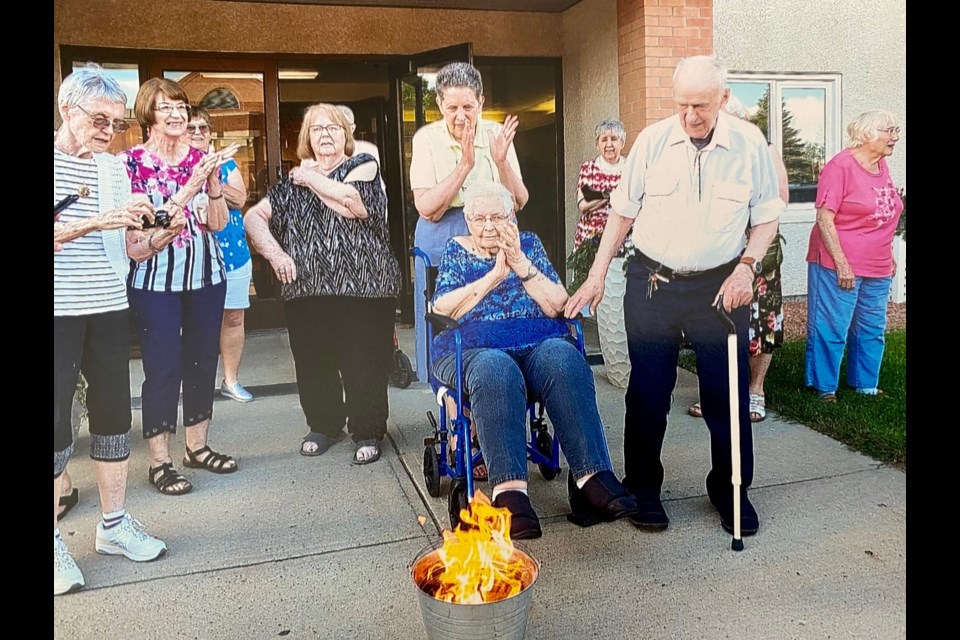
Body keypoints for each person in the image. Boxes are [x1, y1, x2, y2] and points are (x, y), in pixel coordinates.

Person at [565, 55, 786, 537]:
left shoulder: (750, 144)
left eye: (701, 105)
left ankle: (730, 489)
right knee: (646, 393)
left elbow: (767, 215)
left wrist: (747, 267)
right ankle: (643, 487)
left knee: (725, 395)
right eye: (682, 104)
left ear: (724, 99)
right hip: (652, 282)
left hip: (721, 285)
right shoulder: (652, 142)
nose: (690, 115)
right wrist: (598, 274)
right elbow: (621, 214)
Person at [432, 180, 639, 540]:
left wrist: (520, 264)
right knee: (496, 369)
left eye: (498, 217)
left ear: (512, 217)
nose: (489, 226)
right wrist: (495, 277)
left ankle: (592, 476)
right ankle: (510, 492)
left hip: (536, 339)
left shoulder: (528, 245)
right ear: (467, 220)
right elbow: (442, 308)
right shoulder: (456, 250)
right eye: (479, 218)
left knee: (563, 356)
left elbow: (559, 304)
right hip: (471, 346)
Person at [54, 66, 167, 595]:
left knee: (113, 417)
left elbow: (127, 248)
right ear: (66, 110)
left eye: (116, 123)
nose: (107, 131)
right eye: (99, 120)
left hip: (106, 306)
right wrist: (101, 220)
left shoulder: (113, 170)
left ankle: (115, 525)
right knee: (55, 426)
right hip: (57, 312)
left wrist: (153, 235)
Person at [244, 103, 401, 464]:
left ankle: (367, 430)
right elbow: (254, 217)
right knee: (313, 360)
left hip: (365, 287)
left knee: (364, 360)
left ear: (346, 136)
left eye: (333, 128)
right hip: (307, 288)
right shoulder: (289, 184)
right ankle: (325, 425)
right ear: (307, 138)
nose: (326, 134)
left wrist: (311, 177)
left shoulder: (361, 166)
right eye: (317, 129)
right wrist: (277, 255)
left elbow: (353, 204)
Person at [119, 78, 240, 496]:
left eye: (181, 107)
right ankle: (160, 461)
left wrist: (212, 184)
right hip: (155, 280)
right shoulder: (130, 163)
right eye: (166, 106)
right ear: (148, 114)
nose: (176, 114)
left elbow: (218, 222)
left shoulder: (201, 158)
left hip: (206, 275)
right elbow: (150, 225)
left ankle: (197, 447)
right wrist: (193, 183)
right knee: (163, 367)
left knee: (202, 360)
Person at [409, 61, 528, 383]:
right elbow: (427, 208)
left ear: (481, 103)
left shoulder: (495, 133)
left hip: (490, 226)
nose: (461, 116)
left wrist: (501, 162)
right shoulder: (426, 139)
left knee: (499, 303)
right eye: (452, 108)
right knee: (451, 311)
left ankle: (499, 371)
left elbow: (518, 201)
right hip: (440, 232)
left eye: (468, 107)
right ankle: (448, 378)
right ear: (439, 105)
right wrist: (465, 165)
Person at [688, 95, 790, 422]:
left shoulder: (765, 149)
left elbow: (779, 202)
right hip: (713, 252)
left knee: (761, 322)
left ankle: (755, 390)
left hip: (755, 253)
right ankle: (718, 392)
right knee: (712, 323)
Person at [804, 110, 903, 402]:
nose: (895, 137)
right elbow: (825, 218)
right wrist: (842, 263)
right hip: (838, 261)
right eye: (889, 131)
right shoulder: (840, 167)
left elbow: (883, 213)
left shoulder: (881, 165)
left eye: (896, 130)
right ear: (868, 134)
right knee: (832, 324)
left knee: (873, 326)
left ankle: (865, 384)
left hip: (878, 263)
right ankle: (824, 388)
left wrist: (889, 255)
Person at [181, 108, 255, 403]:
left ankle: (231, 380)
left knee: (234, 317)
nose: (198, 133)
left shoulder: (226, 164)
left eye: (203, 127)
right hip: (191, 256)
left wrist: (211, 176)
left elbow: (240, 198)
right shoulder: (173, 165)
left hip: (232, 254)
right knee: (193, 320)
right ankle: (197, 384)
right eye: (191, 128)